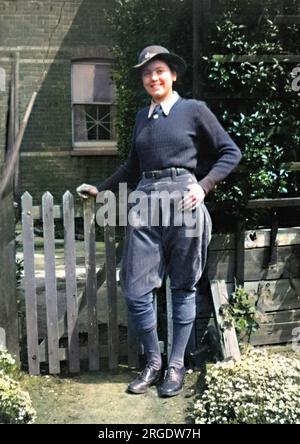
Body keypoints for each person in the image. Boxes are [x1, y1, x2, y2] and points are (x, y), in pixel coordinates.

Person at [76, 45, 242, 397]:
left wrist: (204, 185)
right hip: (146, 201)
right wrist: (100, 190)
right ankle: (153, 362)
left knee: (183, 285)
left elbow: (231, 152)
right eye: (147, 73)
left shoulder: (194, 110)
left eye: (160, 71)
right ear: (143, 79)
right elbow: (132, 168)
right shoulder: (141, 118)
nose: (154, 78)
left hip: (184, 197)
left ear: (173, 75)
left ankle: (176, 365)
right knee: (135, 288)